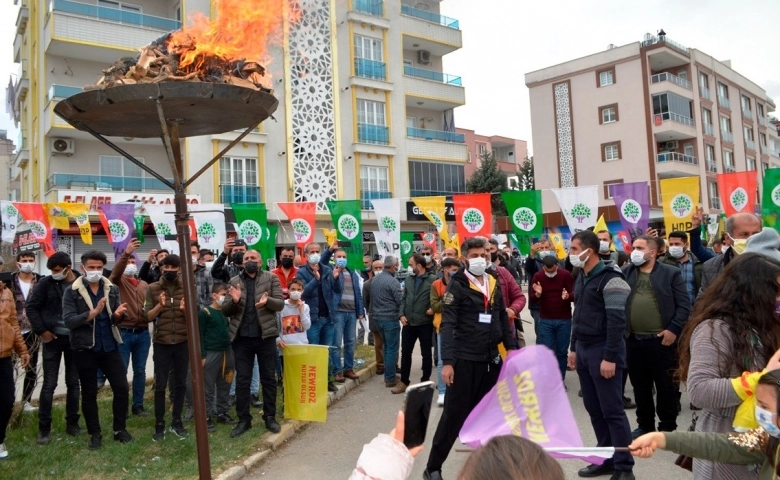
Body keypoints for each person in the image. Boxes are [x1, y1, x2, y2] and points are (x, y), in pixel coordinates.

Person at [676, 252, 780, 479]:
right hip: (726, 446)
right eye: (775, 292)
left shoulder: (765, 325)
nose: (778, 299)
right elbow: (700, 391)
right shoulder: (715, 329)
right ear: (750, 293)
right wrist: (759, 380)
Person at [424, 237, 517, 480]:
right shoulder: (458, 284)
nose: (480, 259)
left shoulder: (494, 282)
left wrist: (513, 352)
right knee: (453, 416)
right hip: (465, 360)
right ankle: (433, 468)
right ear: (465, 258)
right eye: (474, 255)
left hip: (491, 360)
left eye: (484, 255)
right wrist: (448, 362)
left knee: (491, 416)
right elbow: (448, 324)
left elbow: (501, 320)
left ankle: (488, 468)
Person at [566, 230, 635, 480]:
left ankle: (624, 467)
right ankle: (606, 458)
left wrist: (610, 357)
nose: (570, 254)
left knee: (612, 411)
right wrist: (573, 349)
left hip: (603, 350)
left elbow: (617, 323)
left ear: (589, 250)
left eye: (574, 249)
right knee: (594, 408)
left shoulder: (611, 278)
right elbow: (578, 314)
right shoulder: (581, 276)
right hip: (584, 349)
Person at [630, 368, 780, 480]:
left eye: (764, 407)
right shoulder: (767, 439)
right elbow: (721, 445)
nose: (758, 412)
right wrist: (661, 439)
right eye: (757, 404)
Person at [621, 236, 691, 439]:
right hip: (633, 341)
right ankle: (645, 425)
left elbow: (684, 306)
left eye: (639, 248)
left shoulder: (670, 273)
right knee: (640, 386)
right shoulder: (626, 273)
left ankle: (667, 428)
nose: (634, 251)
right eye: (633, 247)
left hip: (662, 341)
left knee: (666, 386)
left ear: (652, 252)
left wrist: (673, 329)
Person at [61, 250, 132, 450]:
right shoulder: (72, 291)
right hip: (85, 348)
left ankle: (120, 429)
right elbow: (69, 321)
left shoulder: (111, 288)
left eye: (98, 267)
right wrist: (92, 313)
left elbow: (115, 318)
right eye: (91, 267)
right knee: (90, 392)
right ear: (83, 268)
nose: (95, 271)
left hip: (109, 346)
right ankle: (95, 433)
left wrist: (118, 315)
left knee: (121, 388)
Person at [222, 249, 284, 437]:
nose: (249, 261)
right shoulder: (234, 282)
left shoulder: (271, 279)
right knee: (242, 380)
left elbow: (280, 304)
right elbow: (225, 310)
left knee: (268, 378)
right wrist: (234, 301)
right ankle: (244, 420)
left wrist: (267, 301)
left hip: (265, 337)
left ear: (260, 261)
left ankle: (270, 417)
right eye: (246, 258)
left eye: (253, 258)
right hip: (242, 339)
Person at [26, 251, 84, 444]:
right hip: (52, 339)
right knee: (49, 384)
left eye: (58, 270)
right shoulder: (46, 283)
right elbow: (31, 307)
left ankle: (73, 424)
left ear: (68, 267)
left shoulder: (80, 282)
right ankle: (44, 429)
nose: (54, 273)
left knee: (73, 383)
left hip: (75, 339)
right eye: (51, 270)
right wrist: (42, 331)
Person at [144, 254, 189, 441]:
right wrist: (159, 307)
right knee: (160, 385)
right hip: (162, 342)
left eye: (173, 267)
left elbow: (193, 320)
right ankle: (159, 424)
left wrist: (186, 311)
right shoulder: (153, 288)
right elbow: (147, 316)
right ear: (162, 268)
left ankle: (176, 421)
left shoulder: (186, 288)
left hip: (182, 342)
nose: (170, 270)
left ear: (179, 269)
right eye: (166, 266)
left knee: (180, 384)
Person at [108, 239, 150, 417]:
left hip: (142, 333)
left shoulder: (143, 284)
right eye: (128, 262)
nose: (131, 265)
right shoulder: (118, 281)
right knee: (121, 370)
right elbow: (115, 274)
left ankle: (138, 405)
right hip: (124, 332)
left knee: (140, 370)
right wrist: (126, 254)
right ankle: (122, 405)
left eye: (133, 262)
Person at [296, 242, 342, 392]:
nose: (315, 253)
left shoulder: (327, 269)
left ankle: (326, 380)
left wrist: (335, 278)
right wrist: (316, 279)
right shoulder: (301, 272)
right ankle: (313, 383)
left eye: (317, 251)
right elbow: (304, 293)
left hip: (328, 318)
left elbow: (337, 290)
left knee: (325, 351)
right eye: (312, 251)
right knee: (313, 351)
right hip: (313, 320)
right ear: (307, 255)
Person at [393, 253, 436, 395]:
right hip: (409, 322)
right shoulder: (409, 279)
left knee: (426, 354)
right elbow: (404, 298)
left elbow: (438, 298)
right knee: (405, 353)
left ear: (419, 265)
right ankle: (404, 381)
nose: (410, 267)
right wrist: (401, 314)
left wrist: (433, 308)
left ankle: (425, 381)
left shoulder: (433, 280)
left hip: (425, 322)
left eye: (411, 265)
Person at [197, 282, 236, 432]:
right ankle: (206, 415)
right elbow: (199, 335)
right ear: (214, 295)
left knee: (226, 382)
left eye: (227, 295)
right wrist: (202, 355)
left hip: (227, 352)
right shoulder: (205, 313)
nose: (225, 298)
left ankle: (222, 412)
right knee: (208, 386)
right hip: (211, 353)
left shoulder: (227, 313)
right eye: (223, 295)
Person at [0, 273, 31, 459]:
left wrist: (23, 349)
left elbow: (13, 323)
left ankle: (0, 440)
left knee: (6, 400)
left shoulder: (6, 292)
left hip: (3, 356)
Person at [530, 255, 574, 382]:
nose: (550, 273)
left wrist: (568, 296)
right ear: (543, 267)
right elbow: (533, 298)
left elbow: (574, 294)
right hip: (545, 320)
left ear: (557, 265)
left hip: (564, 319)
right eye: (547, 271)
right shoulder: (538, 276)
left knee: (561, 351)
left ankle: (560, 380)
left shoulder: (565, 275)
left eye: (552, 270)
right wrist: (538, 294)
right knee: (548, 352)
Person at [698, 212, 762, 298]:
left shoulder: (775, 263)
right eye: (744, 234)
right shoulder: (711, 266)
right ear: (728, 238)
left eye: (756, 234)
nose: (751, 239)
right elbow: (702, 304)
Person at [330, 248, 365, 382]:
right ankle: (337, 370)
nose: (342, 258)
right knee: (337, 343)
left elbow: (358, 293)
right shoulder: (331, 272)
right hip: (338, 312)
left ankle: (348, 368)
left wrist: (360, 310)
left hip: (351, 312)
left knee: (351, 342)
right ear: (334, 258)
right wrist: (336, 275)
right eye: (339, 256)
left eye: (344, 256)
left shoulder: (353, 274)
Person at [12, 251, 41, 413]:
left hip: (32, 331)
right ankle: (7, 400)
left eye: (31, 260)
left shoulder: (40, 281)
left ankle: (26, 402)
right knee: (9, 367)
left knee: (31, 367)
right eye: (24, 260)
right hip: (12, 331)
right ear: (18, 263)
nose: (28, 263)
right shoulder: (10, 281)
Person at [430, 257, 460, 407]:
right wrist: (448, 301)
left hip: (460, 327)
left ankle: (456, 391)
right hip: (442, 327)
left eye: (457, 270)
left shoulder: (462, 283)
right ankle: (442, 392)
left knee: (460, 360)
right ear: (445, 270)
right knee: (443, 361)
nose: (455, 272)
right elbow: (434, 306)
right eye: (453, 270)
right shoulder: (436, 284)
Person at [486, 238, 527, 348]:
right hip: (477, 335)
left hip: (504, 329)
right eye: (477, 254)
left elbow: (519, 297)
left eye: (489, 250)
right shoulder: (462, 277)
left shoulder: (503, 272)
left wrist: (513, 309)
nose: (485, 254)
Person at [370, 256, 404, 389]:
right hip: (390, 318)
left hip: (378, 318)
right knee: (391, 348)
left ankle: (388, 375)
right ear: (394, 267)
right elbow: (399, 300)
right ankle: (390, 378)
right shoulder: (393, 281)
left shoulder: (375, 280)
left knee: (386, 347)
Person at [658, 231, 703, 307]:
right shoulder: (662, 262)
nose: (673, 247)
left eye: (677, 244)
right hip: (672, 310)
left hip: (695, 309)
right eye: (671, 244)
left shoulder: (698, 263)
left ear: (686, 245)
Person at [362, 260, 384, 372]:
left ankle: (393, 365)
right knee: (378, 344)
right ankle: (380, 365)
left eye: (381, 267)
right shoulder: (367, 284)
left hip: (388, 317)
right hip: (374, 317)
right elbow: (366, 301)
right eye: (376, 268)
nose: (379, 270)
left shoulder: (389, 281)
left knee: (390, 344)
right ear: (372, 269)